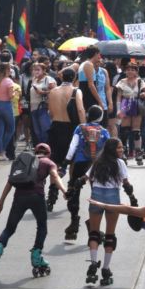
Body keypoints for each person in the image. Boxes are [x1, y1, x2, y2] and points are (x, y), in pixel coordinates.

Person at [0, 143, 68, 277]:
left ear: (35, 152)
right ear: (49, 153)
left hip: (19, 198)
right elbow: (54, 175)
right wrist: (64, 191)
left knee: (9, 228)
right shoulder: (48, 162)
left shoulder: (24, 161)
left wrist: (1, 202)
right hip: (37, 198)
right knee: (42, 227)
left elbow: (10, 182)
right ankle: (36, 254)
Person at [71, 138, 130, 286]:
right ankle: (105, 268)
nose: (122, 150)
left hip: (96, 196)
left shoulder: (97, 162)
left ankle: (92, 265)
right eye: (119, 148)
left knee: (94, 234)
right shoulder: (120, 163)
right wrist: (132, 197)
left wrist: (74, 187)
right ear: (112, 149)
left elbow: (84, 178)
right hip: (112, 198)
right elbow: (126, 184)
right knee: (110, 235)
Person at [63, 105, 111, 240]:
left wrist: (66, 161)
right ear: (100, 117)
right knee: (96, 194)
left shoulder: (80, 128)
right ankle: (93, 225)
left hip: (80, 164)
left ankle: (74, 221)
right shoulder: (104, 131)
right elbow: (108, 150)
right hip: (96, 166)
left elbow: (73, 146)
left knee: (74, 191)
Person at [46, 68, 85, 211]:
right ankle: (71, 191)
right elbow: (80, 110)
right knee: (73, 161)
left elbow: (50, 112)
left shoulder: (53, 91)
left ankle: (52, 195)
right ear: (74, 78)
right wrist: (84, 127)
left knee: (55, 163)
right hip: (71, 129)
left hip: (56, 127)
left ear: (62, 77)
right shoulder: (76, 91)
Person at [115, 61, 145, 164]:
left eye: (132, 70)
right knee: (124, 130)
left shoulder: (140, 82)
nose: (130, 71)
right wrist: (118, 109)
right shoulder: (121, 82)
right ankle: (123, 152)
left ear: (136, 72)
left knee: (136, 131)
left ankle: (138, 152)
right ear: (125, 71)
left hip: (137, 104)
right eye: (128, 69)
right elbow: (118, 97)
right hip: (125, 104)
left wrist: (143, 95)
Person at [0, 62, 17, 160]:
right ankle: (2, 150)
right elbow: (11, 96)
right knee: (11, 129)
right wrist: (15, 92)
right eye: (9, 68)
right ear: (7, 70)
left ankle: (0, 152)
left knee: (0, 131)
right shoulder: (9, 81)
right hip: (6, 105)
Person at [29, 62, 57, 145]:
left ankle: (47, 148)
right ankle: (41, 148)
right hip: (34, 108)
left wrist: (42, 92)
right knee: (37, 131)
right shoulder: (34, 79)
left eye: (38, 70)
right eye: (34, 70)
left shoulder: (48, 79)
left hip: (44, 108)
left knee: (45, 130)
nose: (36, 72)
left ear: (44, 70)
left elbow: (55, 91)